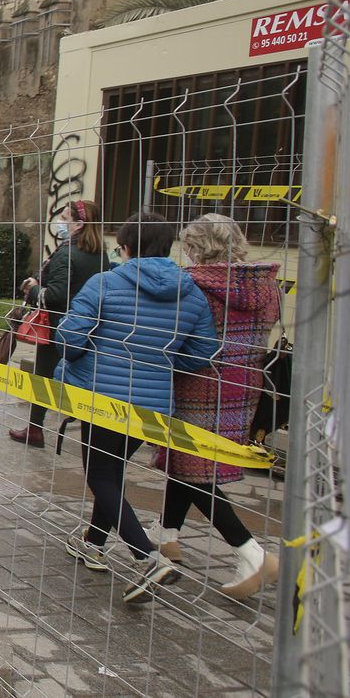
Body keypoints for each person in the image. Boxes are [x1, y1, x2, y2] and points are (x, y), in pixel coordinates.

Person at [56, 212, 220, 603]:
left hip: (100, 397)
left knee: (100, 476)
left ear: (126, 247)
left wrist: (84, 355)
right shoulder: (191, 292)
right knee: (112, 472)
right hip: (151, 404)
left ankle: (149, 557)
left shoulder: (105, 283)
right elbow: (203, 350)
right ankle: (93, 543)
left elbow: (70, 338)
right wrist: (159, 366)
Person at [151, 214, 282, 598]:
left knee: (195, 470)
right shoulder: (266, 285)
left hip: (198, 383)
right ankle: (167, 534)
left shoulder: (194, 285)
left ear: (195, 247)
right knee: (188, 461)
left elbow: (181, 336)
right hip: (243, 385)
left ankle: (251, 552)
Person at [9, 200, 110, 446]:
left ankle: (35, 428)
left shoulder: (67, 253)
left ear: (79, 223)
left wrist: (33, 289)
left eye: (65, 217)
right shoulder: (101, 254)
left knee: (43, 378)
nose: (60, 222)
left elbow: (55, 295)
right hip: (90, 326)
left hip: (58, 326)